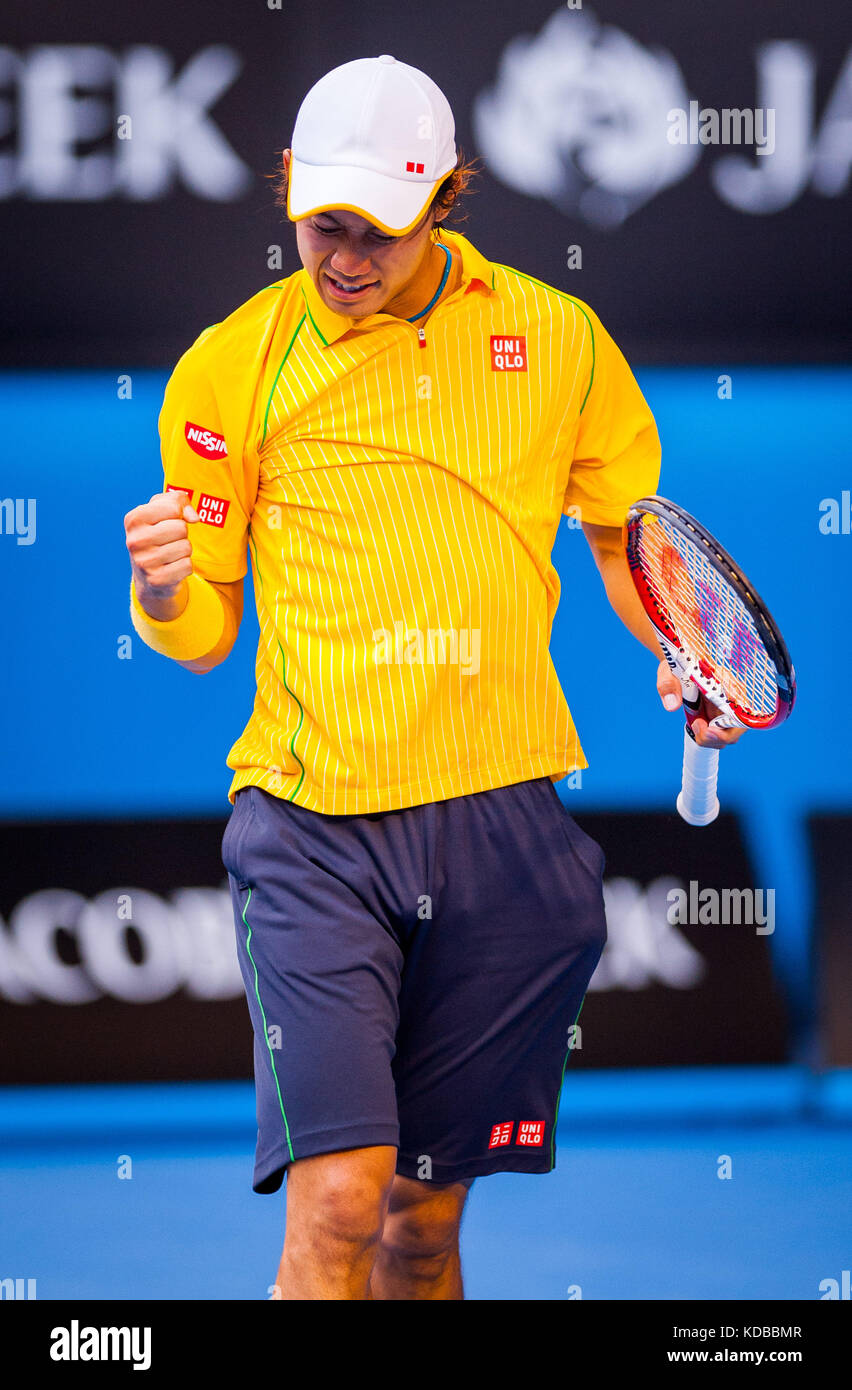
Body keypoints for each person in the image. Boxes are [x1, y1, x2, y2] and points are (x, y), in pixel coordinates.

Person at [124, 55, 742, 1301]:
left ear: (448, 198)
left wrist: (678, 647)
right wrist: (161, 587)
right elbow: (202, 631)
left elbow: (630, 543)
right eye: (323, 223)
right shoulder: (231, 368)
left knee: (418, 1221)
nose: (345, 257)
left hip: (501, 817)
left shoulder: (555, 335)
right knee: (341, 1200)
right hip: (312, 825)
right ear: (289, 187)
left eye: (380, 233)